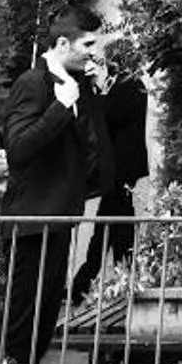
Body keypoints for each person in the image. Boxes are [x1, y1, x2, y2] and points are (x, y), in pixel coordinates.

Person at [2, 4, 102, 364]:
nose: (94, 52)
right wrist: (59, 108)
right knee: (24, 323)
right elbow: (18, 149)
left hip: (60, 217)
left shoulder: (74, 85)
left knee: (45, 320)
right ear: (63, 43)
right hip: (32, 221)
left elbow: (90, 147)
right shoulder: (33, 82)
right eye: (88, 44)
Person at [67, 36, 151, 319]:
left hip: (122, 170)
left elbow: (105, 113)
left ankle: (106, 281)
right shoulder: (120, 85)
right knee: (112, 225)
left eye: (110, 59)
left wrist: (93, 89)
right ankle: (117, 279)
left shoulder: (132, 87)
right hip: (116, 170)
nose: (106, 64)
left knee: (114, 225)